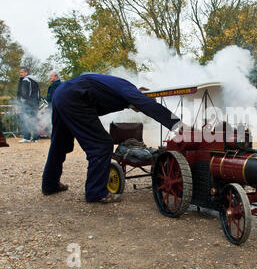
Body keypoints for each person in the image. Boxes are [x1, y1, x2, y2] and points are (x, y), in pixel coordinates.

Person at [41, 74, 182, 204]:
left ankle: (50, 184)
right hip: (75, 98)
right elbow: (150, 106)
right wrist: (177, 125)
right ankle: (96, 193)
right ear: (140, 98)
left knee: (59, 143)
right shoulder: (132, 92)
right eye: (140, 106)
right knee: (101, 145)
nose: (139, 110)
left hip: (61, 94)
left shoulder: (126, 89)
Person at [17, 67, 41, 143]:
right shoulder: (35, 80)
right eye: (20, 72)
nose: (21, 74)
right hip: (35, 103)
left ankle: (27, 137)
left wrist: (22, 101)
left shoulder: (26, 80)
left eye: (22, 72)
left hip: (27, 103)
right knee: (34, 120)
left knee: (25, 119)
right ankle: (35, 137)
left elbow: (25, 93)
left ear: (27, 72)